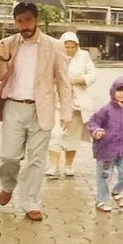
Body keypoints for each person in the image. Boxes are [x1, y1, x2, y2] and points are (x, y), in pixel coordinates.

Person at [0, 2, 73, 221]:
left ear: (36, 20)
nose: (23, 25)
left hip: (41, 109)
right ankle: (8, 185)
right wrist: (1, 58)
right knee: (9, 156)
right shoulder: (8, 43)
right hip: (14, 107)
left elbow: (64, 82)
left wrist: (66, 111)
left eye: (27, 20)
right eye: (19, 21)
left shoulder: (54, 46)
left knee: (36, 160)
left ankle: (30, 202)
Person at [86, 77, 123, 212]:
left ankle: (116, 191)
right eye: (119, 90)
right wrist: (97, 131)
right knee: (104, 176)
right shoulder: (105, 110)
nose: (122, 94)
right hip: (105, 150)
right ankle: (102, 200)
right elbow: (92, 122)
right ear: (113, 91)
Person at [46, 32, 97, 178]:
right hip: (58, 102)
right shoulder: (54, 56)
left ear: (77, 46)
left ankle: (68, 165)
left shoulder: (84, 56)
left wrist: (80, 79)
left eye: (72, 47)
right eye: (66, 47)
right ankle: (53, 166)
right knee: (55, 133)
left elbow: (93, 74)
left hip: (77, 102)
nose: (69, 50)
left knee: (72, 136)